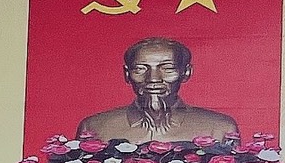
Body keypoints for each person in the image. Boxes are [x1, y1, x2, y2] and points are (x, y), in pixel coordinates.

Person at [75, 36, 240, 143]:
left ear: (186, 72)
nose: (153, 79)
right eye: (140, 69)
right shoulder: (95, 128)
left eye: (167, 68)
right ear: (127, 74)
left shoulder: (219, 128)